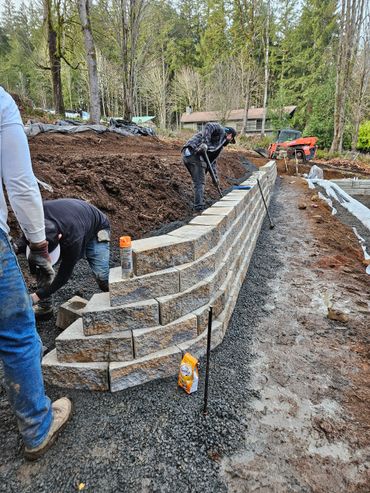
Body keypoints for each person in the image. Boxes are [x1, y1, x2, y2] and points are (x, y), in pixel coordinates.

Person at [0, 87, 72, 460]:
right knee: (15, 332)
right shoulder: (0, 101)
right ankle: (36, 428)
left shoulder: (83, 225)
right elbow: (22, 186)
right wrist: (39, 248)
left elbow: (73, 262)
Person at [17, 198, 111, 320]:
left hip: (97, 227)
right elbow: (23, 242)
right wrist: (14, 248)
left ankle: (116, 300)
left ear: (59, 238)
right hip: (73, 220)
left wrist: (35, 297)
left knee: (101, 274)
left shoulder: (73, 239)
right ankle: (45, 309)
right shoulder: (33, 223)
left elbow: (64, 276)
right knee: (42, 265)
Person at [181, 123, 236, 211]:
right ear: (230, 135)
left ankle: (198, 203)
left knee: (199, 180)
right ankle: (199, 208)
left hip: (191, 156)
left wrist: (215, 179)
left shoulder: (218, 147)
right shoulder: (220, 129)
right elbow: (208, 126)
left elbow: (211, 163)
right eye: (231, 140)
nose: (229, 143)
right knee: (200, 181)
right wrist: (204, 143)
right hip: (192, 151)